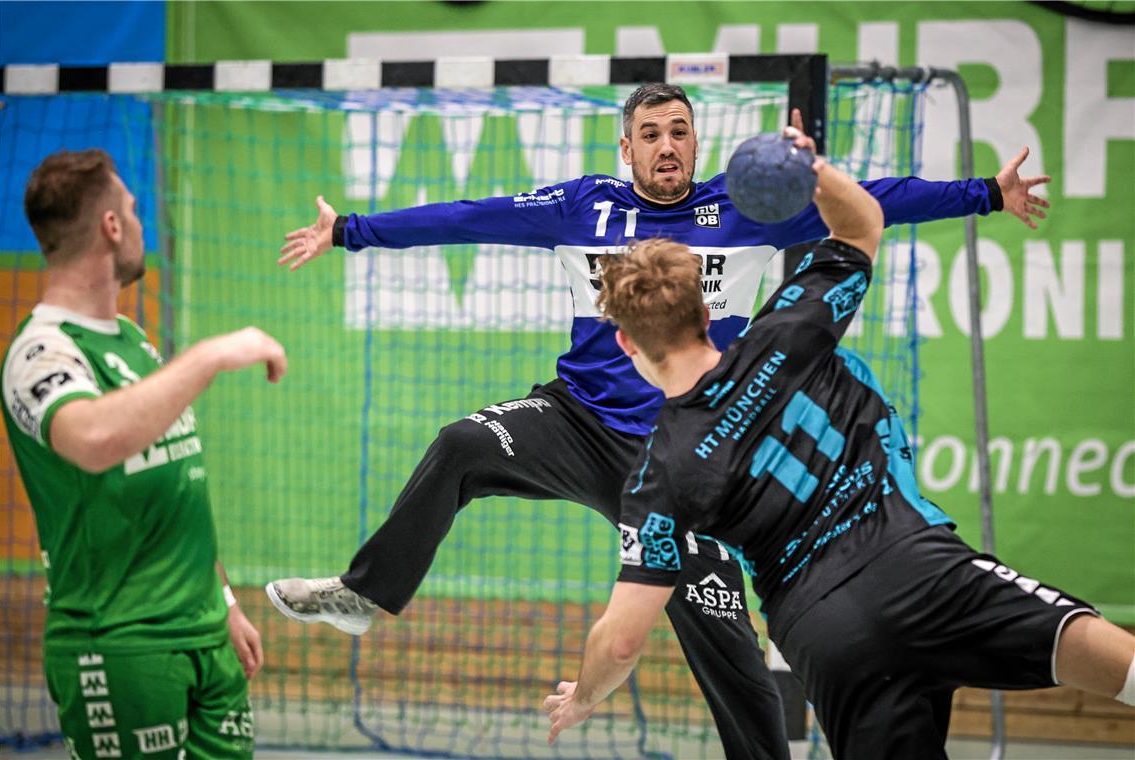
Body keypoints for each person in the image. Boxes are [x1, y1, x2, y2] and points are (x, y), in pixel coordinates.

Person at [266, 83, 1050, 759]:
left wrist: (987, 191)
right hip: (573, 420)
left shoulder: (745, 209)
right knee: (464, 443)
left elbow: (881, 202)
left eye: (679, 132)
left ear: (696, 143)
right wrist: (351, 231)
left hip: (685, 456)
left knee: (724, 638)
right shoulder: (584, 206)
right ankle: (367, 597)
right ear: (627, 147)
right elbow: (471, 215)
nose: (667, 146)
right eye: (651, 134)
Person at [541, 153, 1135, 759]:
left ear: (623, 339)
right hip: (915, 564)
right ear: (704, 309)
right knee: (1097, 652)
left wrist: (585, 696)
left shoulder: (657, 473)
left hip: (825, 633)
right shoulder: (790, 326)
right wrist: (811, 167)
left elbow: (620, 643)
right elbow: (863, 224)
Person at [0, 149, 288, 759]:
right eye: (131, 210)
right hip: (119, 642)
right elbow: (94, 440)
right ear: (110, 226)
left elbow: (173, 484)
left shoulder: (132, 341)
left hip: (205, 635)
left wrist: (226, 602)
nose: (138, 223)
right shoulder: (40, 353)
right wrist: (211, 355)